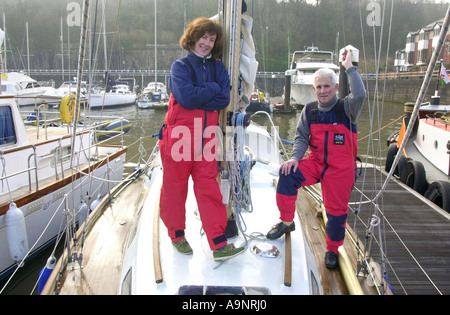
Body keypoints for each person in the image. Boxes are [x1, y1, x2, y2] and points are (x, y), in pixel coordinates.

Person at [266, 50, 366, 269]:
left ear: (335, 87)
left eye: (327, 86)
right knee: (287, 175)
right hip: (316, 163)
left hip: (340, 170)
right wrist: (294, 159)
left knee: (335, 212)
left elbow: (359, 94)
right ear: (314, 89)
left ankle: (332, 249)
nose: (323, 91)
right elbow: (301, 136)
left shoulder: (347, 108)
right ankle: (286, 221)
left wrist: (350, 67)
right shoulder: (310, 111)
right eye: (319, 87)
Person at [158, 17, 245, 261]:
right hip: (180, 136)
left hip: (207, 136)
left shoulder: (219, 68)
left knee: (209, 187)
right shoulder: (180, 67)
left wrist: (202, 94)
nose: (206, 43)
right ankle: (177, 235)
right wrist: (213, 90)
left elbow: (224, 100)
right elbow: (185, 98)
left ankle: (218, 243)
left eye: (212, 39)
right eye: (203, 37)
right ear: (193, 38)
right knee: (175, 187)